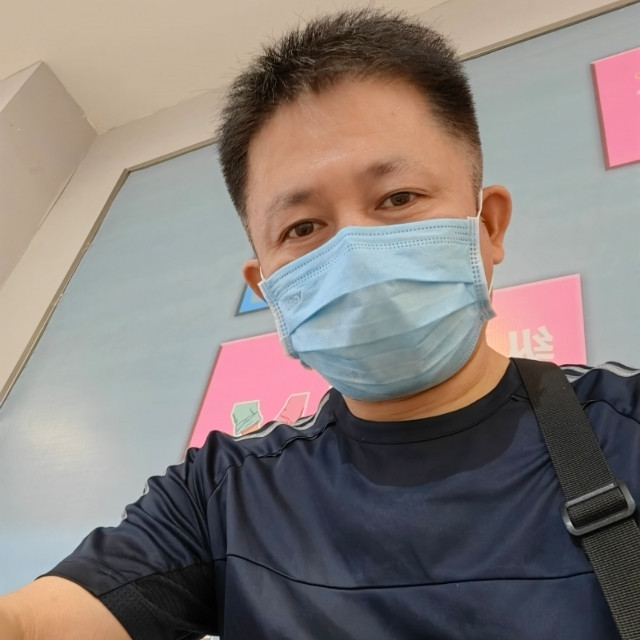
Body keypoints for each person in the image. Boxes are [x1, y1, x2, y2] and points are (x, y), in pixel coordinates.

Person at [1, 8, 638, 640]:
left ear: (488, 228)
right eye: (302, 227)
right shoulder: (219, 495)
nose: (354, 250)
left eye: (398, 198)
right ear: (268, 289)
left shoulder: (624, 430)